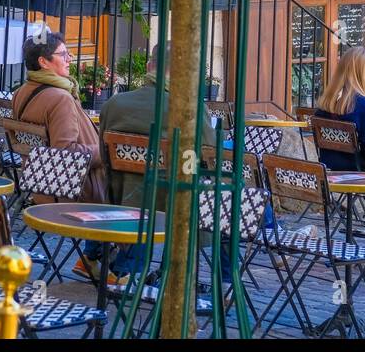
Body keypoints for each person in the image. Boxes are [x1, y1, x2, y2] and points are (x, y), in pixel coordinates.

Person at [89, 43, 215, 285]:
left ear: (149, 67)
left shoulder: (113, 105)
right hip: (170, 204)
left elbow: (105, 158)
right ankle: (223, 282)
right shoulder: (189, 110)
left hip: (122, 197)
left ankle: (122, 267)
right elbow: (208, 157)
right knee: (223, 195)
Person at [11, 31, 106, 204]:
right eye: (63, 55)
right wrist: (105, 150)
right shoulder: (60, 98)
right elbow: (66, 154)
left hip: (39, 186)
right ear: (43, 62)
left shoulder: (20, 92)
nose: (69, 59)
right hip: (77, 192)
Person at [312, 46, 365, 173]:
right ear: (363, 75)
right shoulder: (364, 106)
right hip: (363, 170)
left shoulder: (325, 105)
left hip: (332, 168)